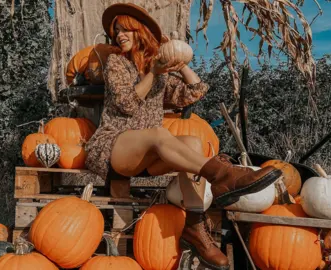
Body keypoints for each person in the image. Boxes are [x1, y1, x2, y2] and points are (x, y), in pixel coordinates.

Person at [84, 3, 282, 269]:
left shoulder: (160, 72)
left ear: (140, 32)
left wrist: (181, 64)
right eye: (116, 31)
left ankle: (195, 226)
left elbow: (196, 91)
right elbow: (128, 104)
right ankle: (224, 175)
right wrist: (154, 73)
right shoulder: (115, 63)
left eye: (125, 30)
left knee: (192, 142)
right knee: (158, 133)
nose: (119, 35)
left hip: (149, 156)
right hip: (114, 148)